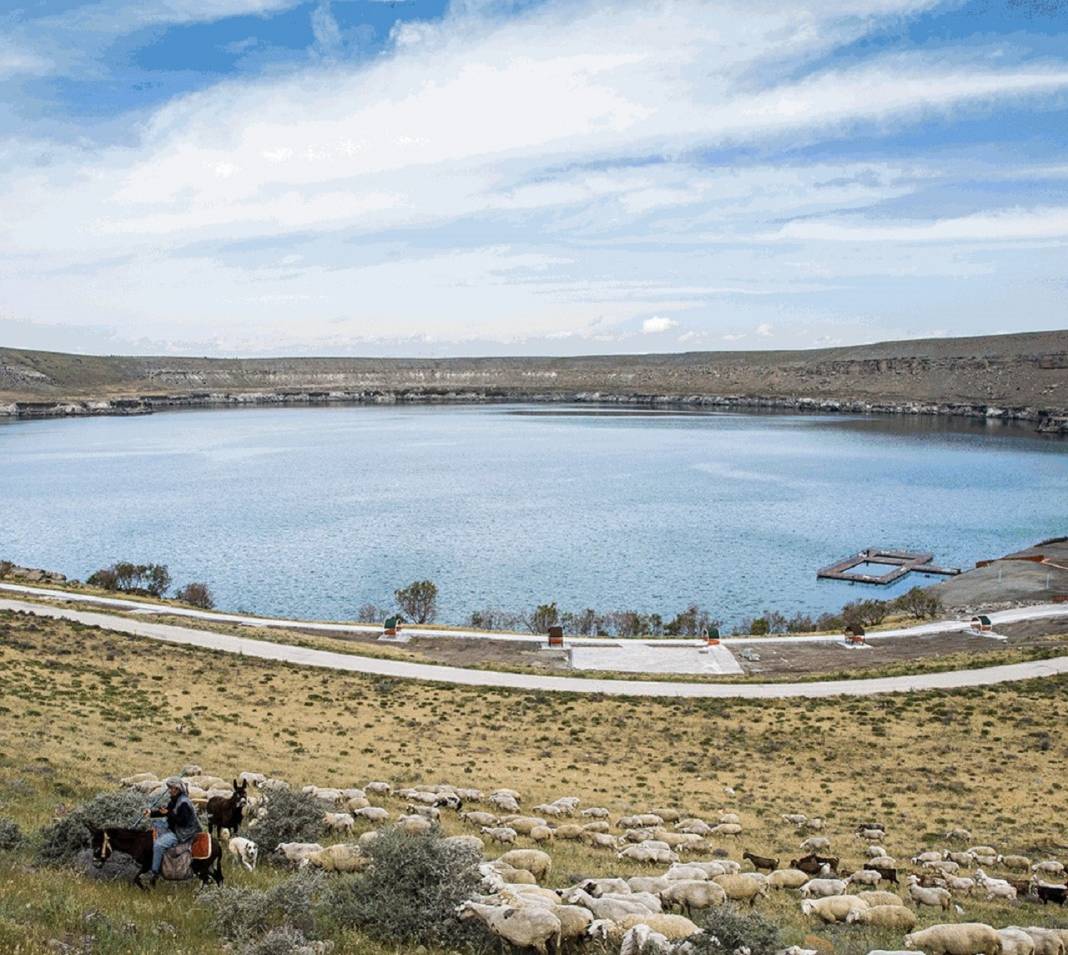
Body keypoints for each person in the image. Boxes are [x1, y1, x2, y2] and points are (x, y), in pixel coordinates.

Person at [143, 776, 202, 885]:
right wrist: (151, 813)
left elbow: (182, 822)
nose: (169, 790)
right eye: (169, 788)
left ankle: (154, 873)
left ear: (177, 789)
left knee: (158, 845)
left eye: (171, 788)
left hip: (183, 833)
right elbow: (167, 811)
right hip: (175, 827)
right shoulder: (175, 800)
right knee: (155, 826)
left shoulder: (184, 803)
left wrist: (168, 814)